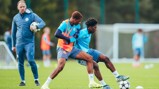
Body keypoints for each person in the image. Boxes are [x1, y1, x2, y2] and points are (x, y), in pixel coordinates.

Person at [41, 11, 101, 89]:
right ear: (74, 19)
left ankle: (91, 82)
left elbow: (76, 35)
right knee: (60, 67)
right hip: (62, 47)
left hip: (71, 48)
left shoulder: (78, 26)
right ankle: (45, 85)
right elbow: (56, 34)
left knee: (89, 58)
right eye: (78, 20)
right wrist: (67, 39)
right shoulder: (65, 23)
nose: (79, 22)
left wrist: (73, 38)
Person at [75, 18, 129, 89]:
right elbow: (72, 39)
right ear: (90, 27)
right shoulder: (82, 33)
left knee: (106, 58)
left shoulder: (89, 32)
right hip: (81, 54)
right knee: (95, 65)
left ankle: (117, 76)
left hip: (88, 51)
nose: (96, 29)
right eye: (95, 27)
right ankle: (104, 85)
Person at [11, 0, 45, 86]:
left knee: (30, 59)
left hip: (29, 42)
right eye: (21, 7)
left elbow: (42, 23)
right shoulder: (15, 18)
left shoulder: (32, 15)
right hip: (19, 44)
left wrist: (36, 26)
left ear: (25, 7)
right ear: (18, 8)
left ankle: (36, 79)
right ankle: (23, 81)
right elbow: (13, 32)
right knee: (20, 62)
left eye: (24, 7)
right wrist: (13, 45)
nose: (22, 8)